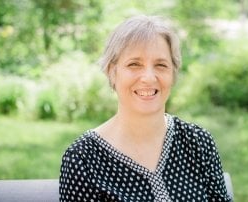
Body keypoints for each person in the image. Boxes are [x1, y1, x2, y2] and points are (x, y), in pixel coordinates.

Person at [59, 15, 232, 202]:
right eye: (134, 64)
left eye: (160, 65)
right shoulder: (84, 159)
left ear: (172, 73)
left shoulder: (198, 143)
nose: (149, 77)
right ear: (112, 71)